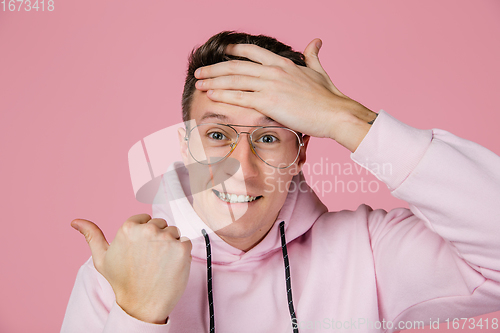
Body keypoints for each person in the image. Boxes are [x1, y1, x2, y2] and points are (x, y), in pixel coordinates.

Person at [61, 31, 500, 333]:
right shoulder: (116, 275)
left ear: (302, 150)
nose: (242, 168)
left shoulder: (367, 251)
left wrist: (348, 118)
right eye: (217, 135)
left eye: (269, 137)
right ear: (185, 145)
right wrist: (137, 314)